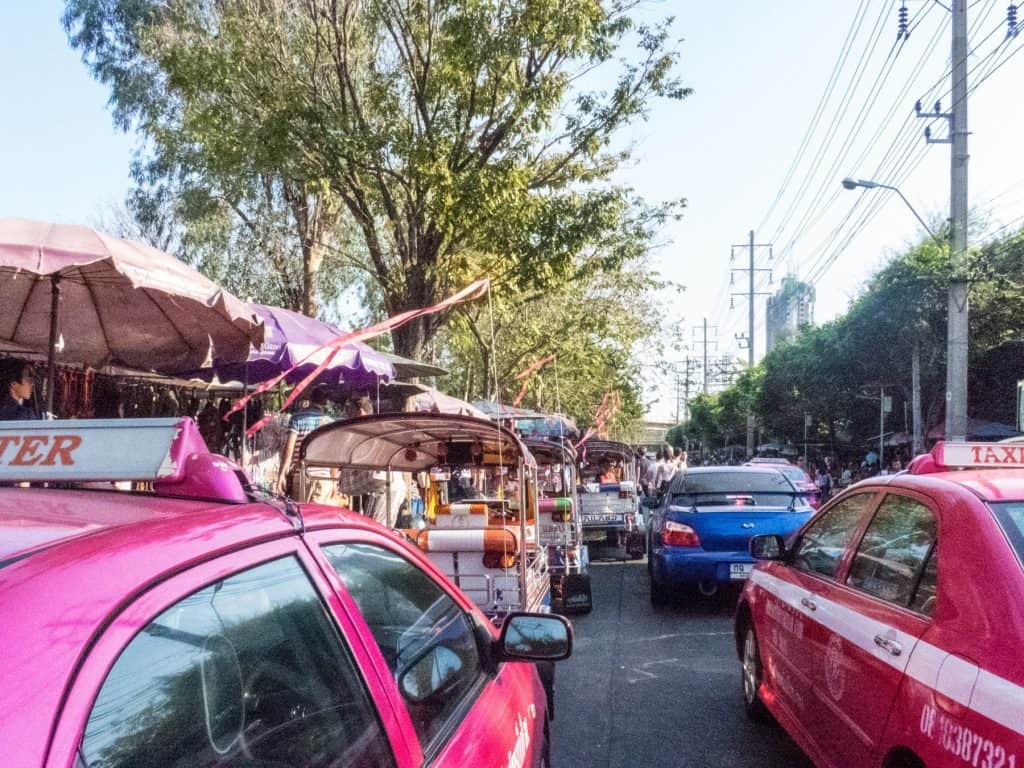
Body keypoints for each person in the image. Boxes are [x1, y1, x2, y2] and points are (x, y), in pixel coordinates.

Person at [276, 386, 334, 499]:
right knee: (319, 516)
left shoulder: (297, 418)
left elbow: (289, 450)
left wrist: (281, 474)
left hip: (302, 476)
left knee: (301, 515)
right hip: (324, 478)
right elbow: (333, 453)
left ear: (310, 399)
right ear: (325, 402)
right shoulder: (330, 423)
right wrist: (333, 480)